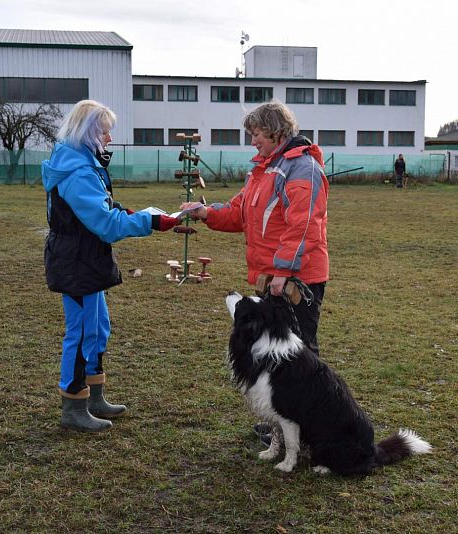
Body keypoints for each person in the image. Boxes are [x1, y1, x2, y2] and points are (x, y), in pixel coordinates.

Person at [42, 99, 180, 432]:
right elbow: (104, 223)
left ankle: (93, 396)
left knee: (98, 327)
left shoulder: (84, 164)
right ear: (89, 131)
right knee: (80, 332)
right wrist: (149, 222)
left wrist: (132, 212)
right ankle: (73, 404)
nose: (109, 138)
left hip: (86, 259)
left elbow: (103, 205)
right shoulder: (77, 172)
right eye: (104, 131)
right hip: (77, 263)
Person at [182, 99, 329, 352]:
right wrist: (206, 212)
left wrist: (283, 271)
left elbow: (303, 226)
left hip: (296, 279)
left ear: (276, 130)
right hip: (272, 278)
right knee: (273, 352)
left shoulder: (303, 169)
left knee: (298, 355)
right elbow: (240, 212)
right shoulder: (264, 170)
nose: (253, 141)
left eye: (257, 134)